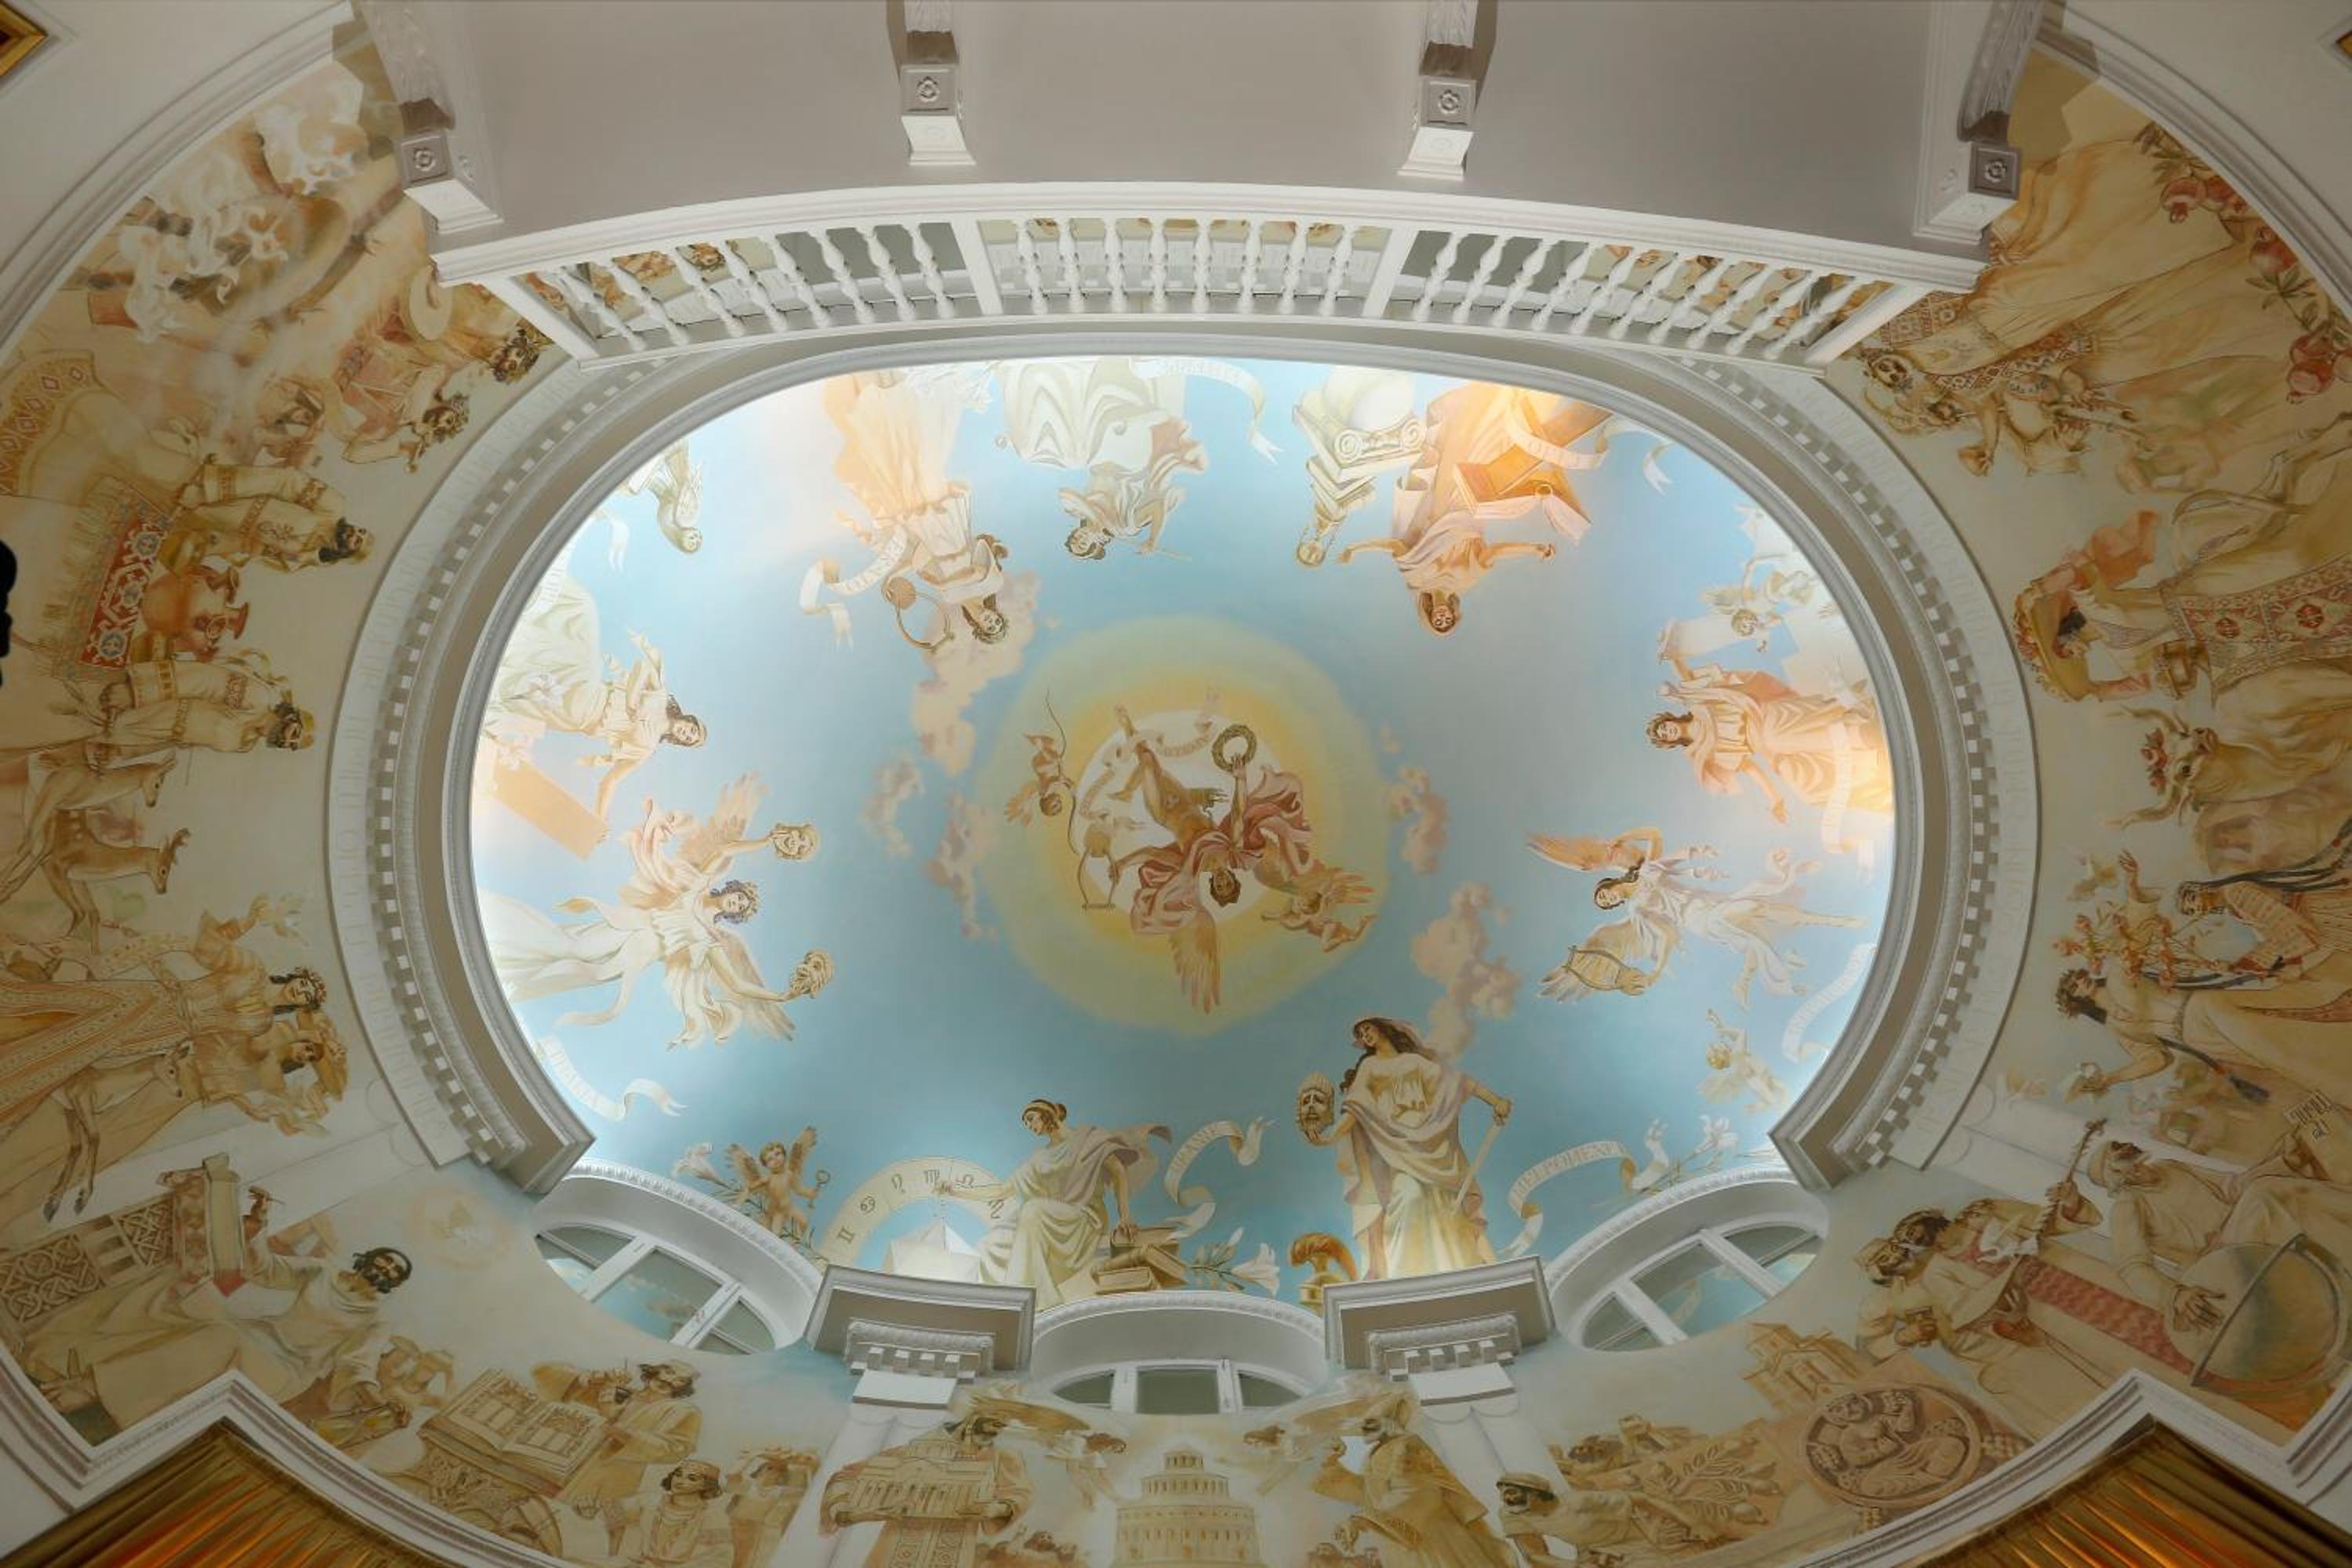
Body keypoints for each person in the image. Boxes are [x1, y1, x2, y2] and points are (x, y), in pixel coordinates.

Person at [24, 1239, 408, 1438]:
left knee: (219, 1337)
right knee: (188, 1310)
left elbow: (358, 1365)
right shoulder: (322, 1271)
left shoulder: (376, 1319)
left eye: (393, 1271)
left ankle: (92, 1388)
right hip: (252, 1334)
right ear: (368, 1258)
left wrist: (379, 1403)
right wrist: (258, 1226)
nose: (385, 1269)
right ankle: (119, 1400)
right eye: (385, 1261)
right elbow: (266, 1269)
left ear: (393, 1284)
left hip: (283, 1370)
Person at [485, 561, 706, 818]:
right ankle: (524, 584)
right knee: (583, 608)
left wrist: (600, 818)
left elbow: (611, 781)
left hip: (584, 715)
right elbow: (643, 667)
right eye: (692, 730)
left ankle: (503, 657)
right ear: (688, 719)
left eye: (688, 740)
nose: (687, 734)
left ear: (680, 742)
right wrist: (632, 701)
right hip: (595, 692)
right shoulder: (660, 697)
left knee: (579, 625)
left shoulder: (645, 749)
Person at [1298, 1017, 1508, 1279]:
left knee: (1443, 1204)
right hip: (1395, 1145)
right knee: (1408, 1196)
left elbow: (1457, 1084)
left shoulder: (1414, 1062)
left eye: (1367, 1029)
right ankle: (1399, 1276)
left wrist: (1495, 1101)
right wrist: (1330, 1138)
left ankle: (1454, 1263)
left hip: (1428, 1142)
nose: (1365, 1036)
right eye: (1361, 1034)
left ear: (1382, 1028)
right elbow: (1355, 1106)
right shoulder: (1370, 1067)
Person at [968, 1100, 1167, 1308]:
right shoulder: (1040, 1157)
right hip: (1053, 1217)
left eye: (1031, 1119)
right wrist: (956, 1191)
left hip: (1084, 1216)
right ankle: (1011, 1300)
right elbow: (1002, 1190)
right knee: (990, 1244)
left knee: (1033, 1209)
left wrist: (1125, 1217)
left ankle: (1040, 1297)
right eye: (1026, 1124)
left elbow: (1118, 1171)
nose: (1030, 1126)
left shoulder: (1087, 1138)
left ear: (1046, 1112)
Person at [1312, 1391, 1515, 1568]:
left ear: (1389, 1423)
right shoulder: (1376, 1453)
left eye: (1371, 1424)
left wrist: (1362, 1520)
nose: (1363, 1429)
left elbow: (1419, 1491)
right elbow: (1367, 1492)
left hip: (1429, 1535)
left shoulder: (1405, 1445)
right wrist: (1332, 1462)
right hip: (1399, 1537)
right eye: (1363, 1424)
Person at [534, 1359, 702, 1552]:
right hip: (565, 1464)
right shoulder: (619, 1391)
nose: (669, 1380)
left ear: (685, 1387)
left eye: (680, 1380)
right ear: (654, 1371)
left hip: (615, 1476)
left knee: (585, 1532)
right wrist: (600, 1377)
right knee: (545, 1522)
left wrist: (624, 1434)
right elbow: (544, 1375)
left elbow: (676, 1449)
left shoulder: (682, 1411)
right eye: (668, 1372)